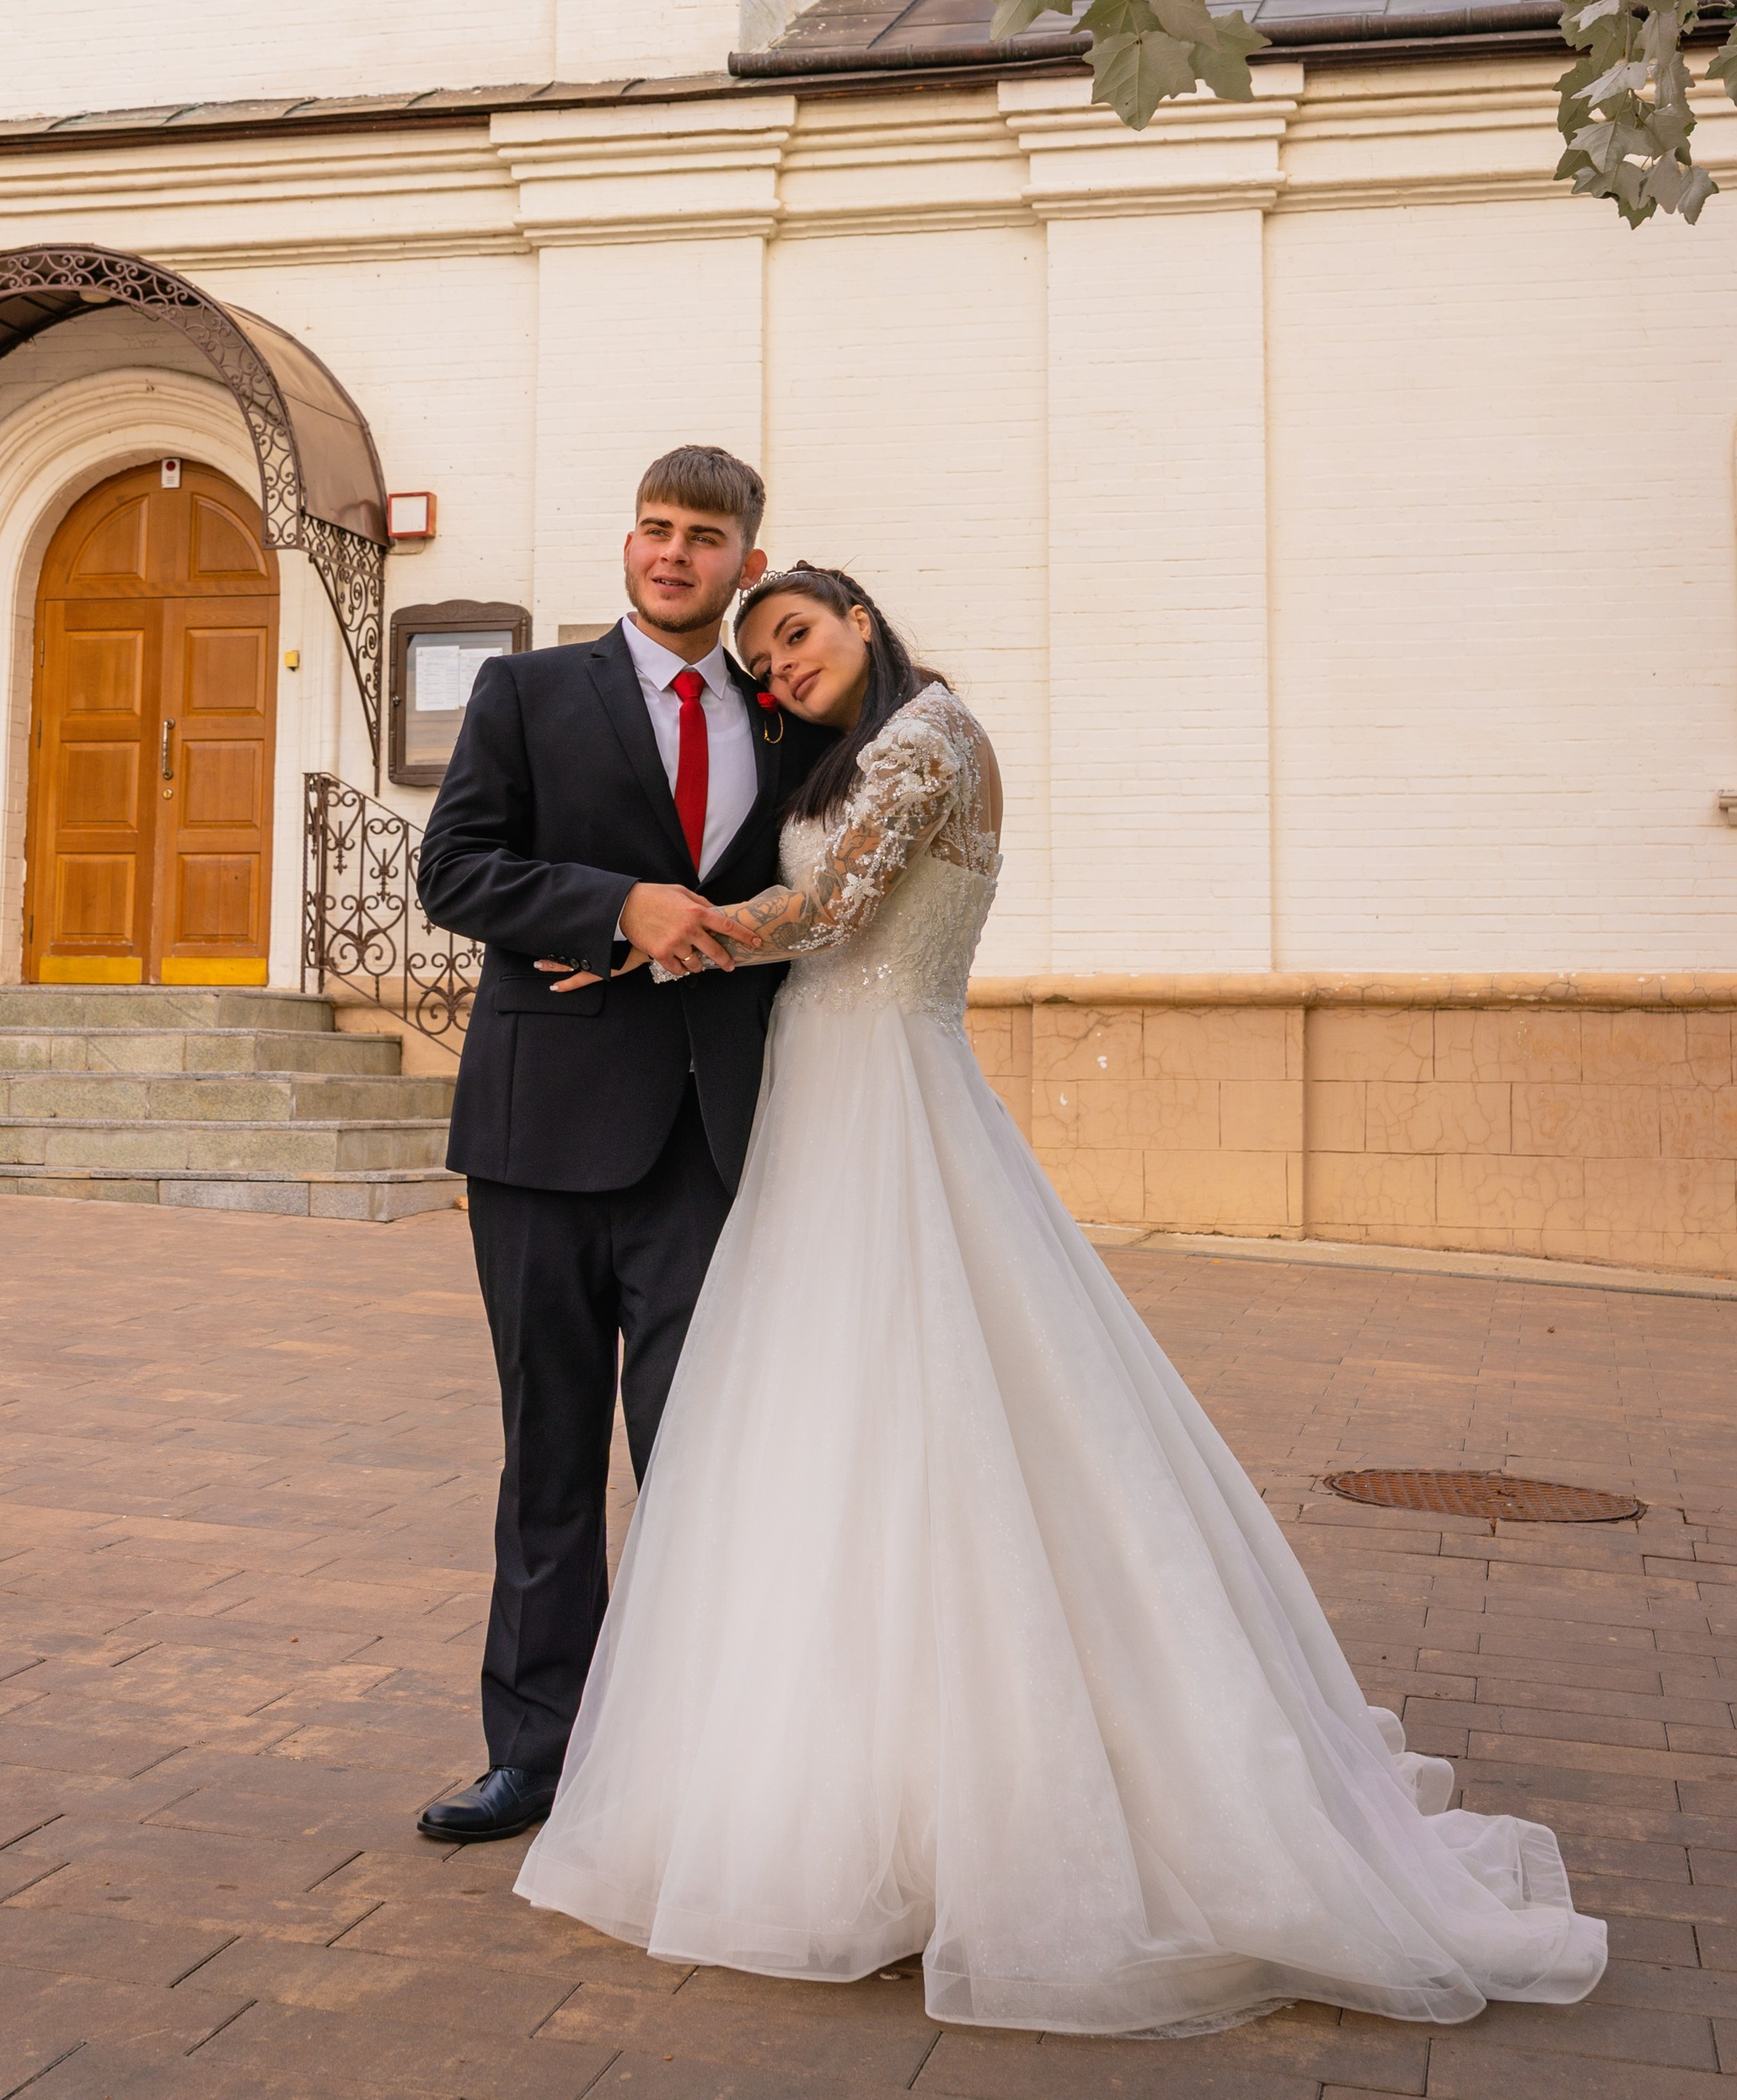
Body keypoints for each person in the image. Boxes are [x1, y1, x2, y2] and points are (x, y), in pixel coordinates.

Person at [515, 566, 1609, 2038]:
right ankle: (851, 1797)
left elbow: (834, 906)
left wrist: (654, 934)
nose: (777, 671)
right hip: (821, 1116)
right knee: (834, 1444)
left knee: (950, 1425)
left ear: (862, 620)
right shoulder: (858, 747)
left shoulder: (933, 737)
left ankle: (1004, 1815)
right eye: (763, 660)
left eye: (797, 636)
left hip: (893, 1105)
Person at [411, 447, 824, 1845]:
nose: (673, 554)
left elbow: (809, 904)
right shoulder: (526, 693)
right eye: (654, 528)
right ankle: (534, 1750)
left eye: (704, 536)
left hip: (707, 1139)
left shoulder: (789, 724)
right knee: (547, 1456)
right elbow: (454, 870)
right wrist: (616, 908)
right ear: (628, 542)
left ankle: (693, 1748)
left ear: (746, 563)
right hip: (535, 1138)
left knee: (696, 1453)